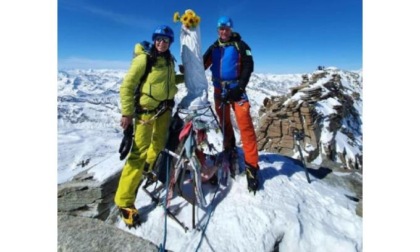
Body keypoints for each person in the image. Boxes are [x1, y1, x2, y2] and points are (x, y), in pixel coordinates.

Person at [115, 25, 184, 227]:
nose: (161, 43)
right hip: (145, 113)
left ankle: (148, 168)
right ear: (154, 40)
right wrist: (127, 113)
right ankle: (124, 202)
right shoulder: (145, 59)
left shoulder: (168, 60)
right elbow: (127, 86)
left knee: (159, 143)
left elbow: (169, 81)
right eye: (158, 39)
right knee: (138, 152)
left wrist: (187, 77)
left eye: (166, 40)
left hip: (164, 111)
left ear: (170, 42)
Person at [203, 16, 259, 194]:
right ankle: (229, 147)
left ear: (231, 29)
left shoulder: (241, 46)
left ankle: (252, 167)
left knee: (245, 126)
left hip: (237, 91)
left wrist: (240, 87)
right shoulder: (214, 48)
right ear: (218, 30)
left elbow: (248, 66)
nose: (223, 31)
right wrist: (189, 69)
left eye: (226, 29)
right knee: (224, 123)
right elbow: (202, 64)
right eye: (221, 29)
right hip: (220, 92)